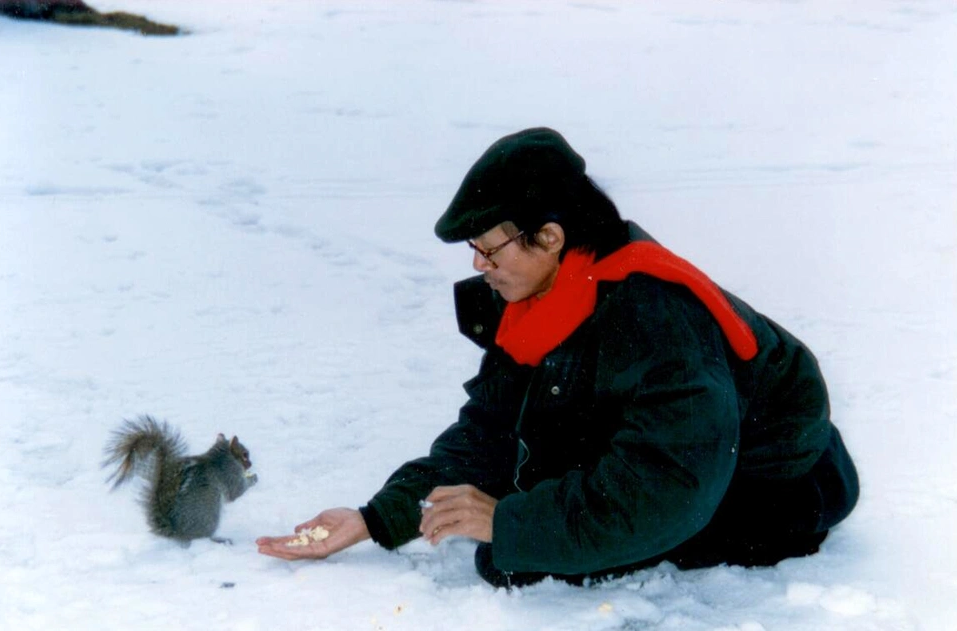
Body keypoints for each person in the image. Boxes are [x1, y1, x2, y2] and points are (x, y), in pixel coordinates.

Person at [257, 127, 859, 588]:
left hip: (769, 489)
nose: (477, 267)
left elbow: (668, 486)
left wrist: (511, 524)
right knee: (523, 524)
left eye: (489, 249)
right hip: (684, 460)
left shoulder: (654, 319)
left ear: (549, 236)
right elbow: (491, 431)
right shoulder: (538, 296)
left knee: (512, 557)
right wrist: (377, 518)